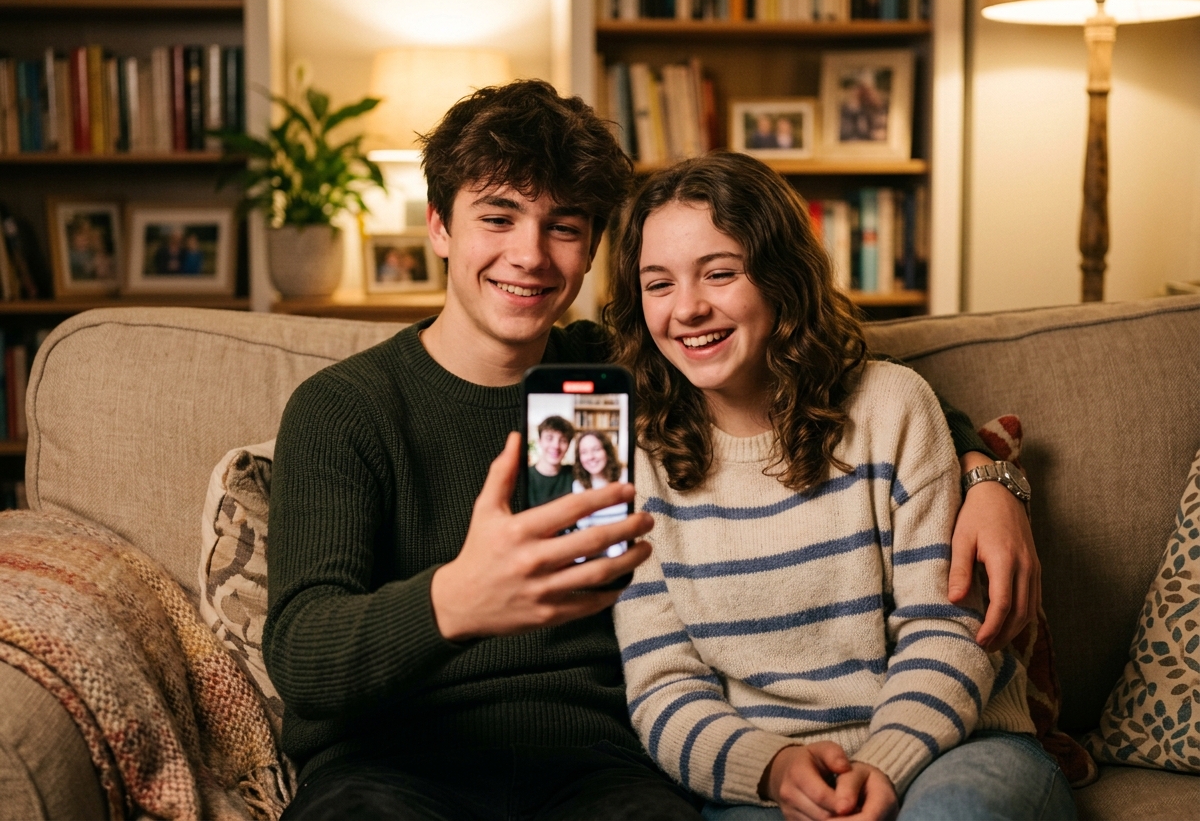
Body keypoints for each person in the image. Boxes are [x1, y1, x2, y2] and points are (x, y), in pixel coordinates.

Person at [263, 79, 1041, 820]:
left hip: (597, 766)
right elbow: (301, 655)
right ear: (439, 224)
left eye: (563, 226)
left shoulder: (626, 371)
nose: (530, 255)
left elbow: (834, 383)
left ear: (593, 246)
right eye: (497, 218)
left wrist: (989, 477)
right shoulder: (345, 410)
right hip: (394, 766)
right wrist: (455, 600)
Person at [606, 153, 1075, 821]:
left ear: (780, 277)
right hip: (771, 778)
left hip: (956, 746)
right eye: (658, 284)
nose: (688, 308)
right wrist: (770, 770)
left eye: (720, 272)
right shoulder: (638, 459)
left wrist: (880, 765)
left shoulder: (893, 407)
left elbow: (946, 628)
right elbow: (663, 687)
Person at [571, 429, 629, 534]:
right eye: (584, 452)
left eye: (596, 449)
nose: (590, 457)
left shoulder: (625, 477)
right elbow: (585, 530)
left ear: (607, 451)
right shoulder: (578, 486)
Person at [529, 414, 577, 507]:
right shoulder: (525, 476)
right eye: (549, 438)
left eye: (563, 440)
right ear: (540, 441)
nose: (556, 446)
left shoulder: (575, 474)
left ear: (568, 446)